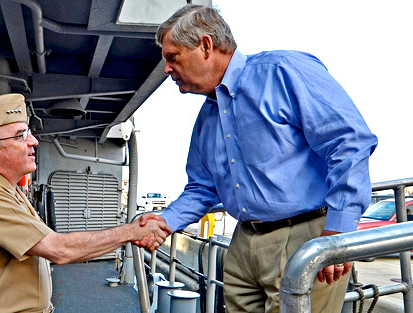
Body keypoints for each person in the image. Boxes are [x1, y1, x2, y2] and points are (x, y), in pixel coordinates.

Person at [138, 4, 378, 313]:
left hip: (304, 237)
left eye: (173, 57)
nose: (167, 69)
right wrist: (164, 221)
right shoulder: (207, 116)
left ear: (206, 46)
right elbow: (202, 188)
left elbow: (348, 141)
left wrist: (338, 231)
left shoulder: (282, 70)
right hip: (243, 244)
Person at [0, 93, 171, 313]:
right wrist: (132, 232)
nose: (33, 141)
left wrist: (132, 233)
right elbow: (59, 250)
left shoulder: (5, 188)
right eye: (20, 136)